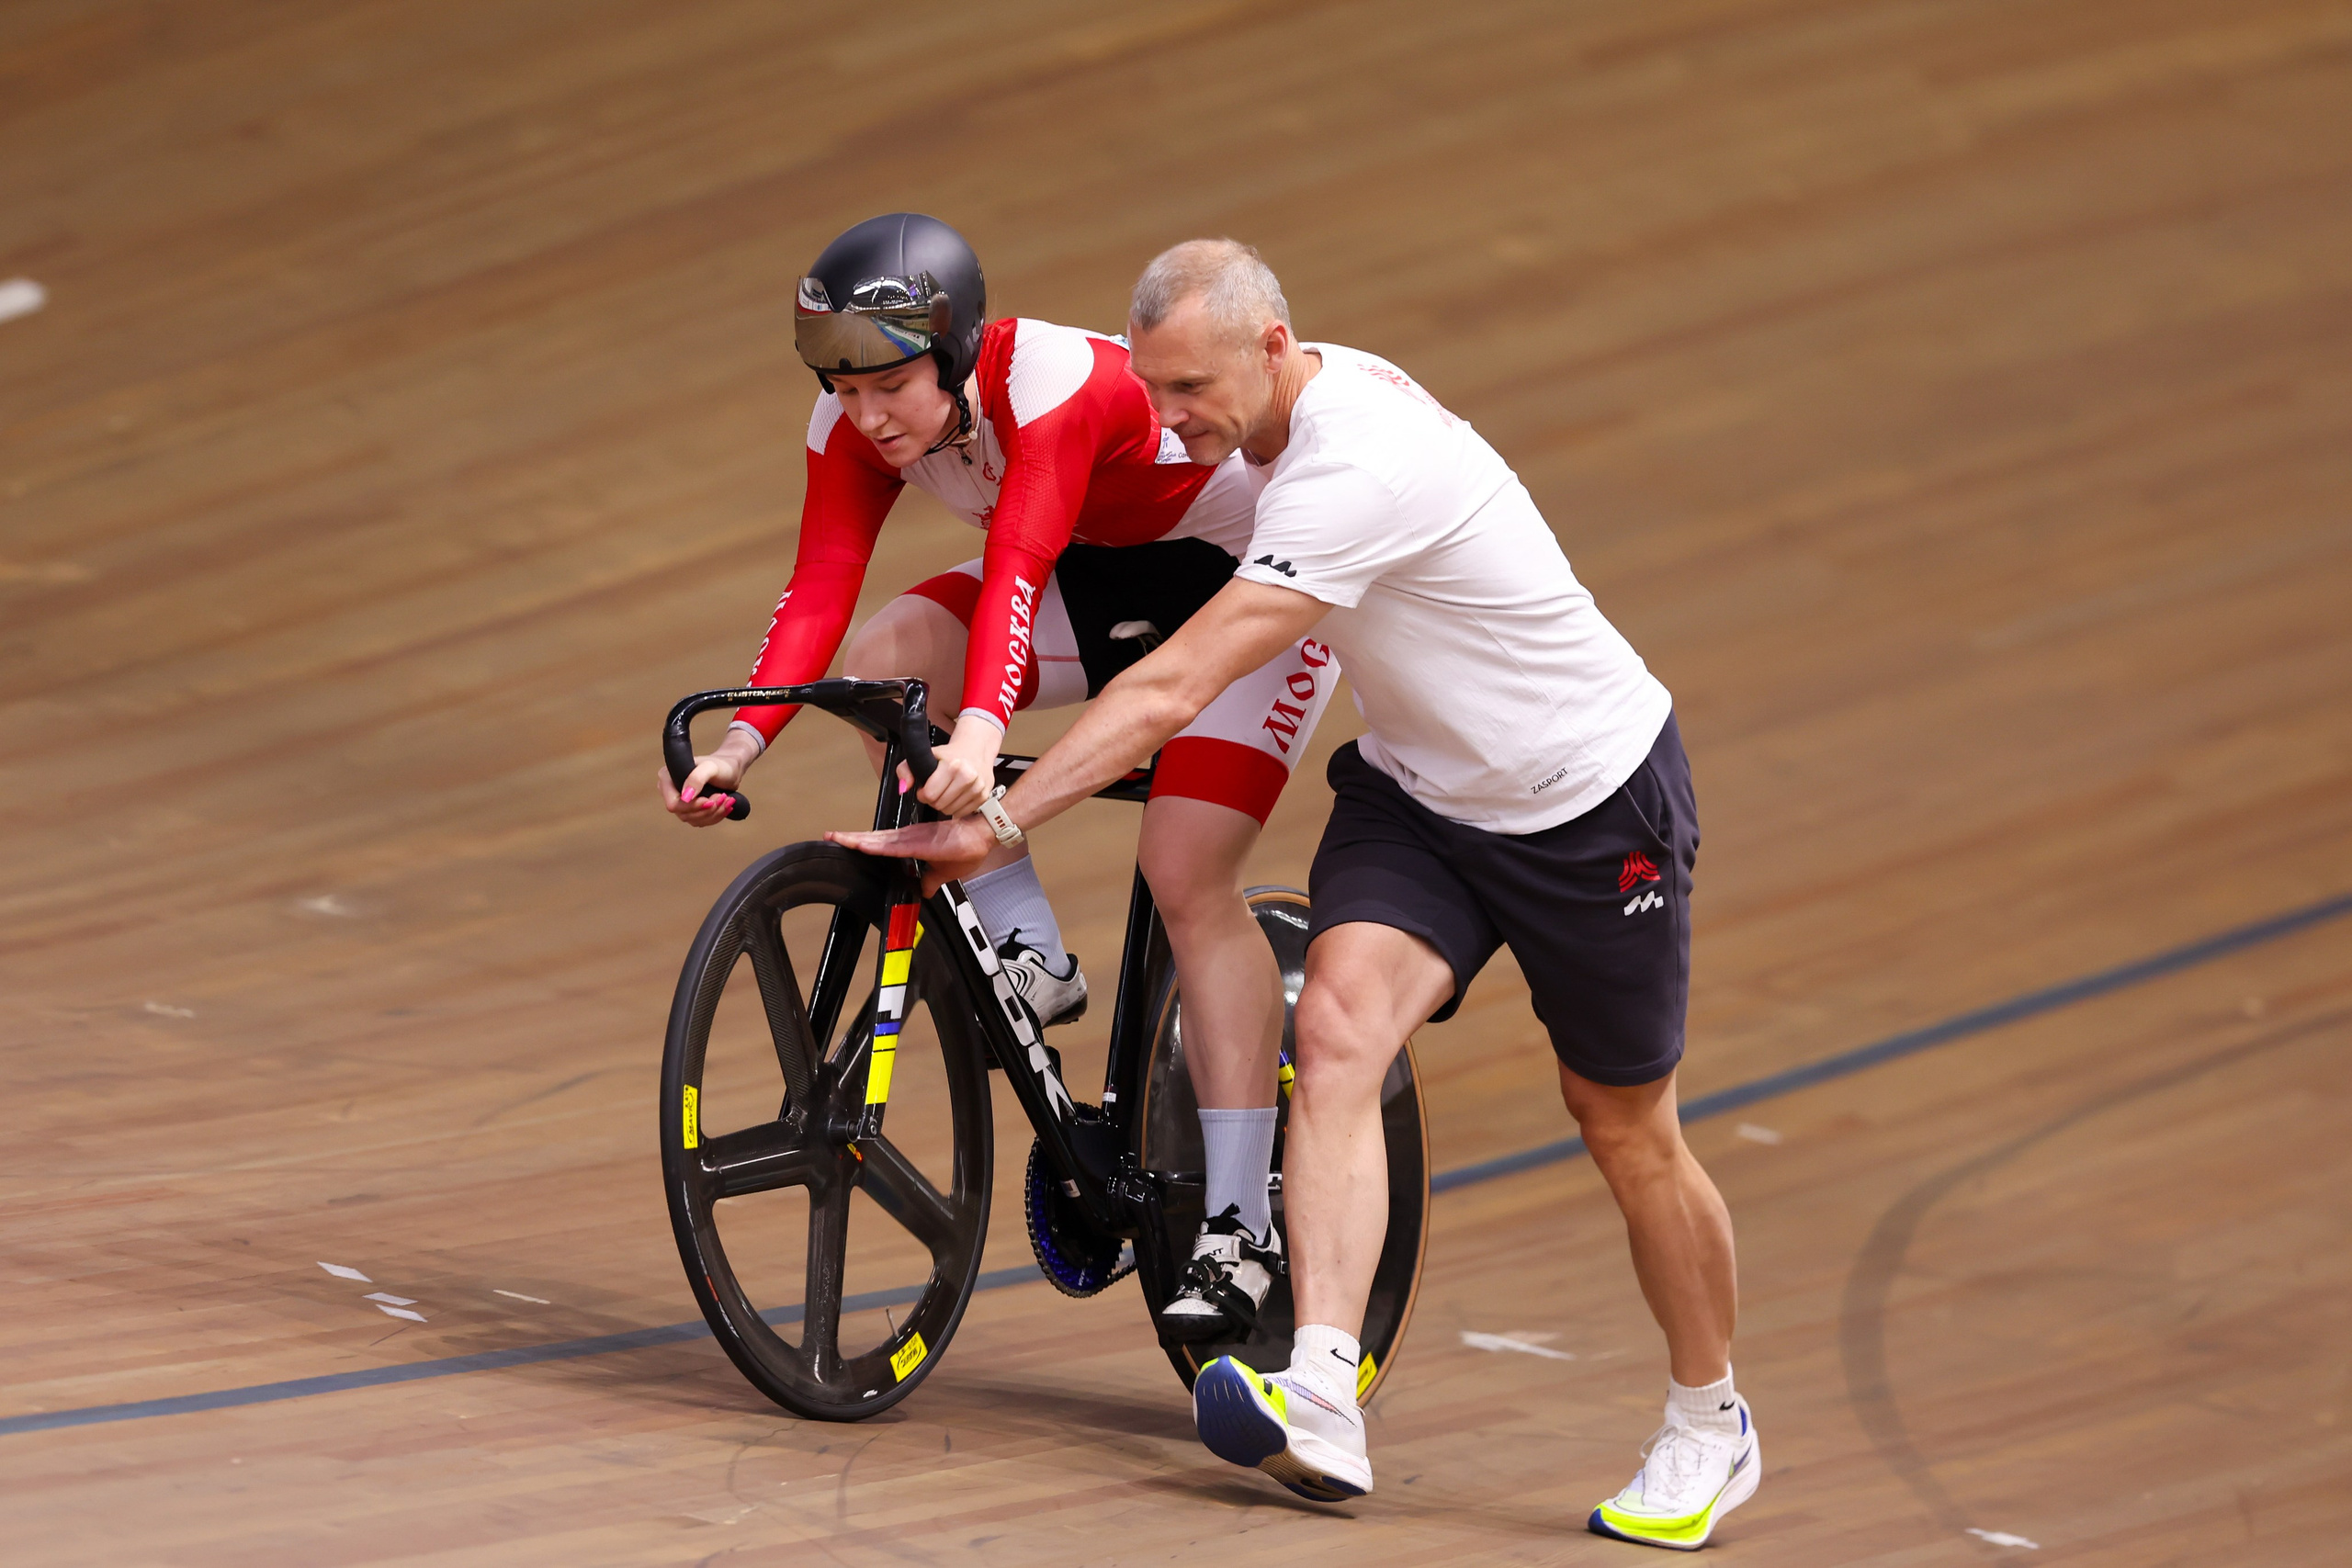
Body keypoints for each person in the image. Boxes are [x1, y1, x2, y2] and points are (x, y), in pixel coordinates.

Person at [832, 239, 1757, 1551]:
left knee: (1623, 1126)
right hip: (1420, 797)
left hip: (1587, 802)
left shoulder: (1352, 467)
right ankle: (1321, 1384)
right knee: (1330, 1033)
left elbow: (1169, 689)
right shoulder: (1267, 417)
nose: (1167, 420)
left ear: (1275, 348)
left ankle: (1710, 1418)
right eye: (1152, 388)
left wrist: (1000, 818)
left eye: (1190, 390)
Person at [657, 214, 1331, 1337]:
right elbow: (821, 580)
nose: (867, 416)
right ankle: (1033, 952)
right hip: (1102, 582)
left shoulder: (1045, 382)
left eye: (890, 385)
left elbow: (1018, 560)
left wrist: (977, 734)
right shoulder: (856, 422)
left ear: (958, 349)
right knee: (882, 666)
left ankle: (1237, 1224)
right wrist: (741, 745)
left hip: (1245, 595)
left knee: (1184, 871)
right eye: (842, 388)